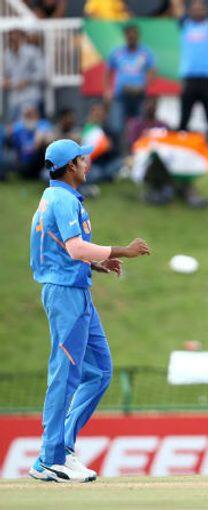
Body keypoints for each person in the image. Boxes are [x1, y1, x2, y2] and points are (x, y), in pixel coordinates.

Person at [28, 139, 150, 482]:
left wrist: (98, 265)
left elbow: (62, 250)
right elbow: (76, 247)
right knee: (65, 374)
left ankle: (62, 447)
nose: (88, 163)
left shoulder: (54, 197)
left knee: (99, 371)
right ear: (70, 165)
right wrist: (124, 251)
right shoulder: (63, 199)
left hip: (76, 288)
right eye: (83, 158)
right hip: (66, 294)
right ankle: (49, 458)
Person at [173, 0, 208, 157]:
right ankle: (178, 153)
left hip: (207, 80)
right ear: (189, 11)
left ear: (206, 11)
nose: (198, 11)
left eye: (201, 8)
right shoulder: (185, 25)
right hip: (189, 79)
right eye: (194, 8)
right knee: (184, 119)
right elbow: (176, 6)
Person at [104, 23, 156, 143]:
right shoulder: (117, 52)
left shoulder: (145, 52)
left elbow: (152, 71)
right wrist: (107, 91)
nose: (131, 36)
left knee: (139, 128)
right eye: (129, 34)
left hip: (139, 97)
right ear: (125, 35)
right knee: (116, 127)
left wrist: (144, 86)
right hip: (120, 96)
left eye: (134, 33)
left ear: (138, 35)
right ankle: (119, 157)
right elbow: (108, 72)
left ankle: (137, 154)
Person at [3, 29, 45, 122]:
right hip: (14, 99)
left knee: (31, 126)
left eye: (16, 36)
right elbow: (6, 75)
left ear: (22, 37)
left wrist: (27, 81)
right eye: (11, 37)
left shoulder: (33, 52)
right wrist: (6, 82)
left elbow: (41, 74)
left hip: (30, 96)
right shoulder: (7, 55)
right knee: (17, 128)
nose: (13, 39)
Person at [10, 104, 54, 180]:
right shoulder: (18, 127)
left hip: (38, 158)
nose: (30, 117)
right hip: (23, 162)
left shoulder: (43, 123)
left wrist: (40, 136)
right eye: (27, 115)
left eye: (32, 114)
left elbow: (49, 138)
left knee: (47, 142)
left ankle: (47, 170)